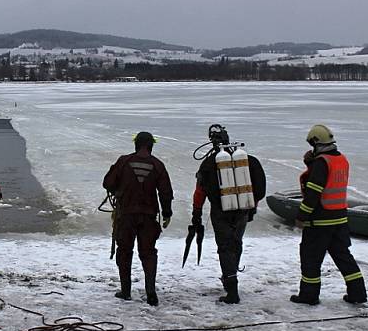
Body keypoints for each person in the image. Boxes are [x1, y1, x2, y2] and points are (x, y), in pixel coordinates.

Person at [291, 124, 367, 305]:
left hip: (320, 221)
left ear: (317, 143)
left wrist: (302, 216)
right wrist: (311, 163)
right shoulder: (340, 159)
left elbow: (314, 193)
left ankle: (308, 296)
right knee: (343, 257)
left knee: (310, 259)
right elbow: (330, 182)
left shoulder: (321, 163)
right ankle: (358, 294)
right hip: (339, 218)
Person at [191, 124, 266, 304]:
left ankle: (231, 288)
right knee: (235, 243)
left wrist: (196, 212)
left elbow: (200, 191)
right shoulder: (247, 160)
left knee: (224, 247)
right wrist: (251, 207)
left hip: (220, 211)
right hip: (242, 210)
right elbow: (259, 188)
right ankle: (230, 277)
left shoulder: (209, 163)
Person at [103, 131, 173, 306]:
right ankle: (151, 293)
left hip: (125, 215)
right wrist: (167, 213)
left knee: (124, 251)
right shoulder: (157, 165)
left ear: (136, 144)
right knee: (148, 253)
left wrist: (121, 189)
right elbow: (165, 192)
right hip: (149, 217)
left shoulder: (124, 161)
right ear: (151, 145)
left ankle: (125, 291)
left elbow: (108, 183)